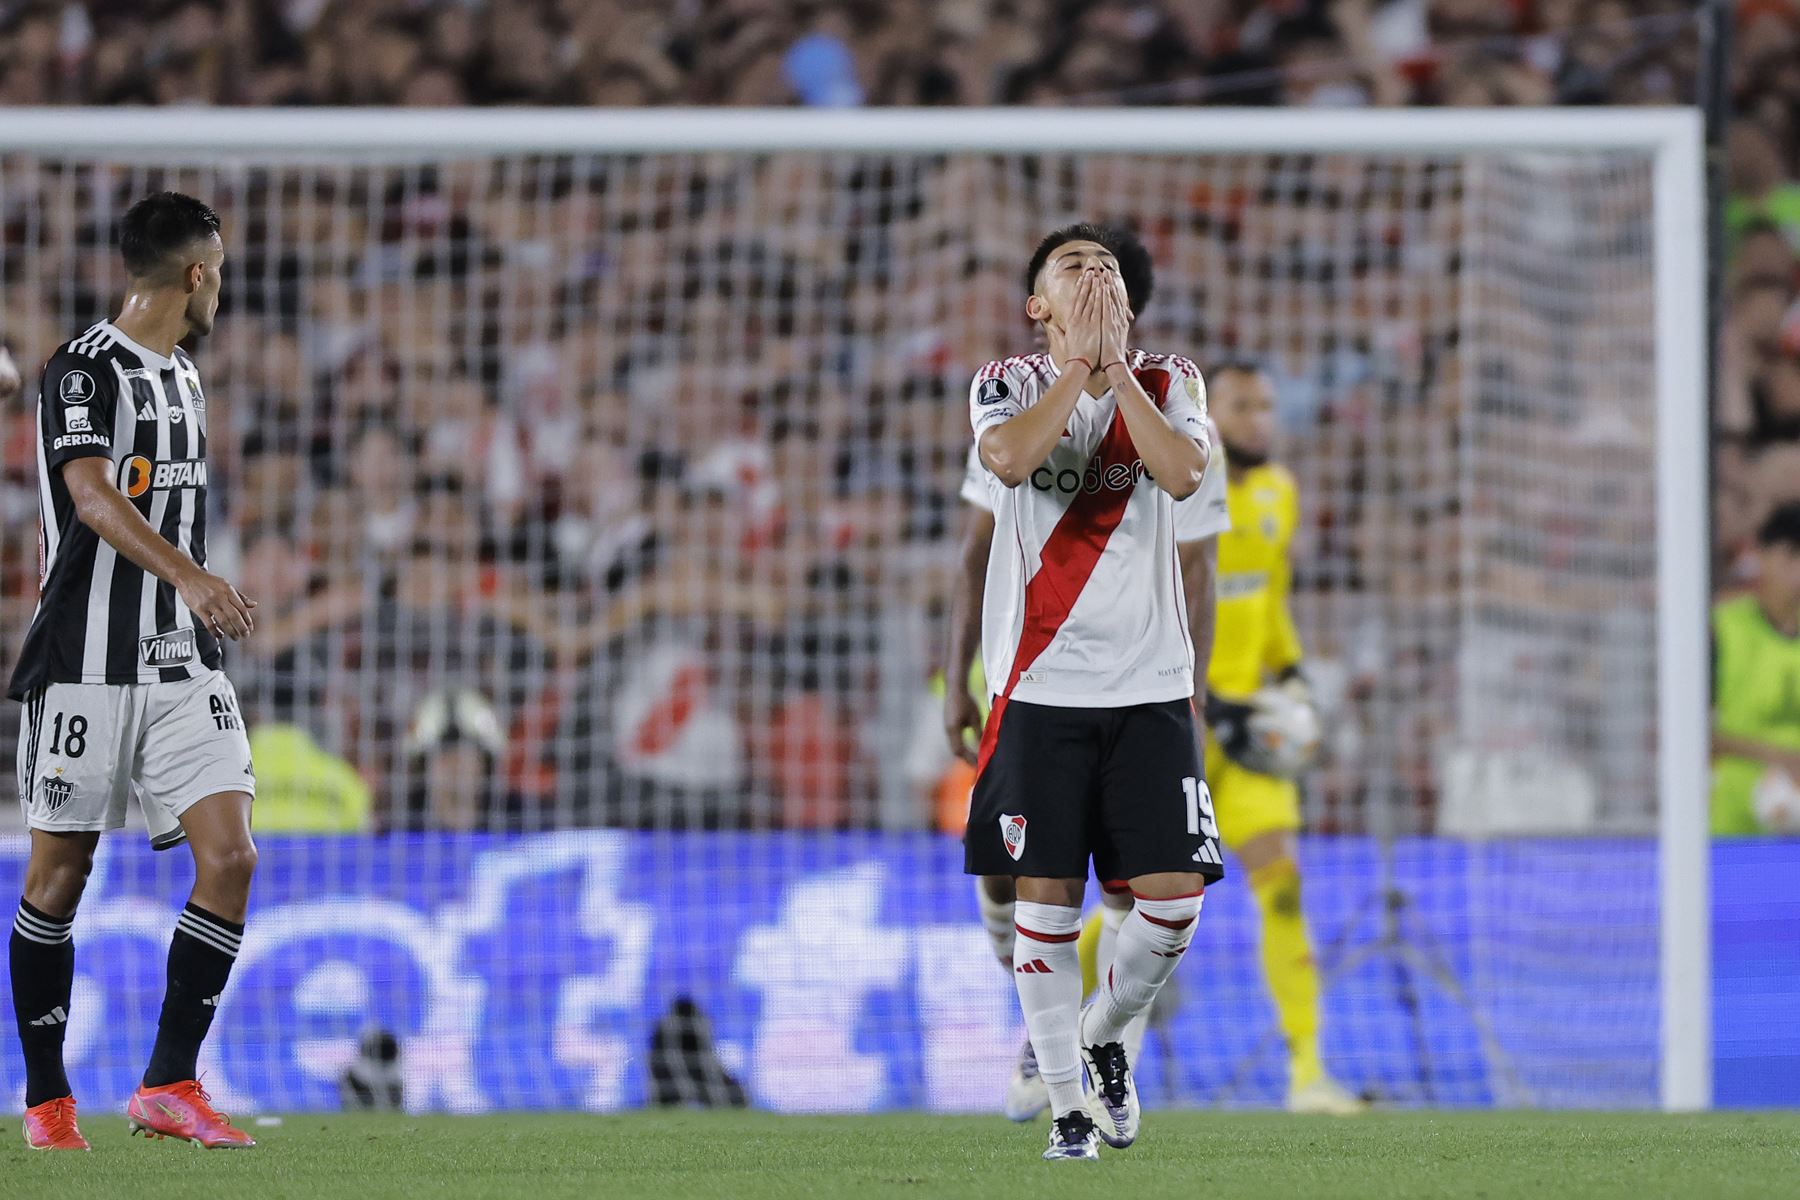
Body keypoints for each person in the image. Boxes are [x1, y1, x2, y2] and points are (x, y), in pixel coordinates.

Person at [7, 193, 259, 1150]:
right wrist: (193, 576)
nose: (221, 287)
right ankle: (47, 1098)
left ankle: (169, 1081)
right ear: (195, 273)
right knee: (59, 880)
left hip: (180, 662)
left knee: (231, 858)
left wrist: (189, 597)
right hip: (82, 666)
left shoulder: (185, 375)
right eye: (220, 270)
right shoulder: (82, 370)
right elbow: (90, 496)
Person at [962, 222, 1216, 1160]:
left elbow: (1184, 476)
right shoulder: (1007, 384)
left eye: (1106, 266)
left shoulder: (1173, 380)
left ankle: (1105, 1034)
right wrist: (1078, 370)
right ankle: (1068, 1109)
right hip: (1040, 682)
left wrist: (1116, 370)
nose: (1094, 272)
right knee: (1048, 893)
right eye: (1072, 267)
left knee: (1174, 899)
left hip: (1151, 682)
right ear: (1038, 306)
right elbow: (1010, 462)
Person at [946, 427, 1229, 1122]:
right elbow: (978, 546)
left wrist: (1189, 691)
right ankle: (1047, 1034)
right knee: (1009, 874)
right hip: (1032, 678)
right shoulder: (1013, 406)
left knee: (1146, 891)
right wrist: (958, 676)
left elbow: (1198, 565)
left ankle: (1103, 1065)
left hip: (1141, 689)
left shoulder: (1177, 413)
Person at [1199, 362, 1363, 1114]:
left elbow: (1268, 602)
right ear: (1206, 415)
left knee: (1284, 888)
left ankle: (1308, 1073)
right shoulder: (1175, 496)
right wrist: (1212, 704)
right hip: (1181, 725)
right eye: (1243, 407)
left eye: (1267, 404)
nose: (1261, 419)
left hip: (1246, 727)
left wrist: (1291, 672)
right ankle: (1052, 1039)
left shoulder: (1279, 492)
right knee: (1141, 907)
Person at [1712, 501, 1800, 835]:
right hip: (1732, 830)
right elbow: (1690, 734)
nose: (1798, 570)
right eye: (1790, 555)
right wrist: (1776, 756)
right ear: (1760, 556)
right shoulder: (1722, 629)